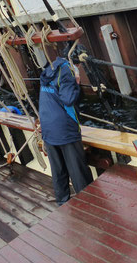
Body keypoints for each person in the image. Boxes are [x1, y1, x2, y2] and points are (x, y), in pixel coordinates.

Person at [38, 53, 93, 206]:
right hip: (64, 129)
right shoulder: (67, 71)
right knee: (78, 170)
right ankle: (88, 202)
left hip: (48, 127)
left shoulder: (49, 68)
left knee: (58, 170)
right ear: (77, 64)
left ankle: (62, 202)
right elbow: (68, 99)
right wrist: (76, 83)